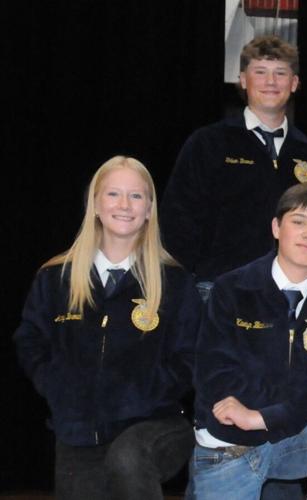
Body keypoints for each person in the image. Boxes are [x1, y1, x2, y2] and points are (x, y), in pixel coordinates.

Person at [14, 156, 200, 500]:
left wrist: (146, 391)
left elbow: (189, 356)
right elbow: (30, 341)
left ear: (149, 210)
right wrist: (58, 386)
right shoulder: (55, 277)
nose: (124, 205)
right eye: (113, 194)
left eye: (136, 196)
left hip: (154, 422)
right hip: (79, 429)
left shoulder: (175, 281)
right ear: (95, 204)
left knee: (128, 458)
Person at [189, 183, 307, 500]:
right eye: (298, 221)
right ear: (276, 227)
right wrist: (257, 414)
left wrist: (264, 416)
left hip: (292, 442)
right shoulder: (231, 289)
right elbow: (213, 372)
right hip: (230, 444)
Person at [161, 35, 307, 299]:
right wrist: (187, 284)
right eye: (260, 72)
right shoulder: (208, 143)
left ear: (294, 83)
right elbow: (177, 220)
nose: (270, 82)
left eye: (280, 73)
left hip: (286, 293)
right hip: (214, 290)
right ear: (242, 80)